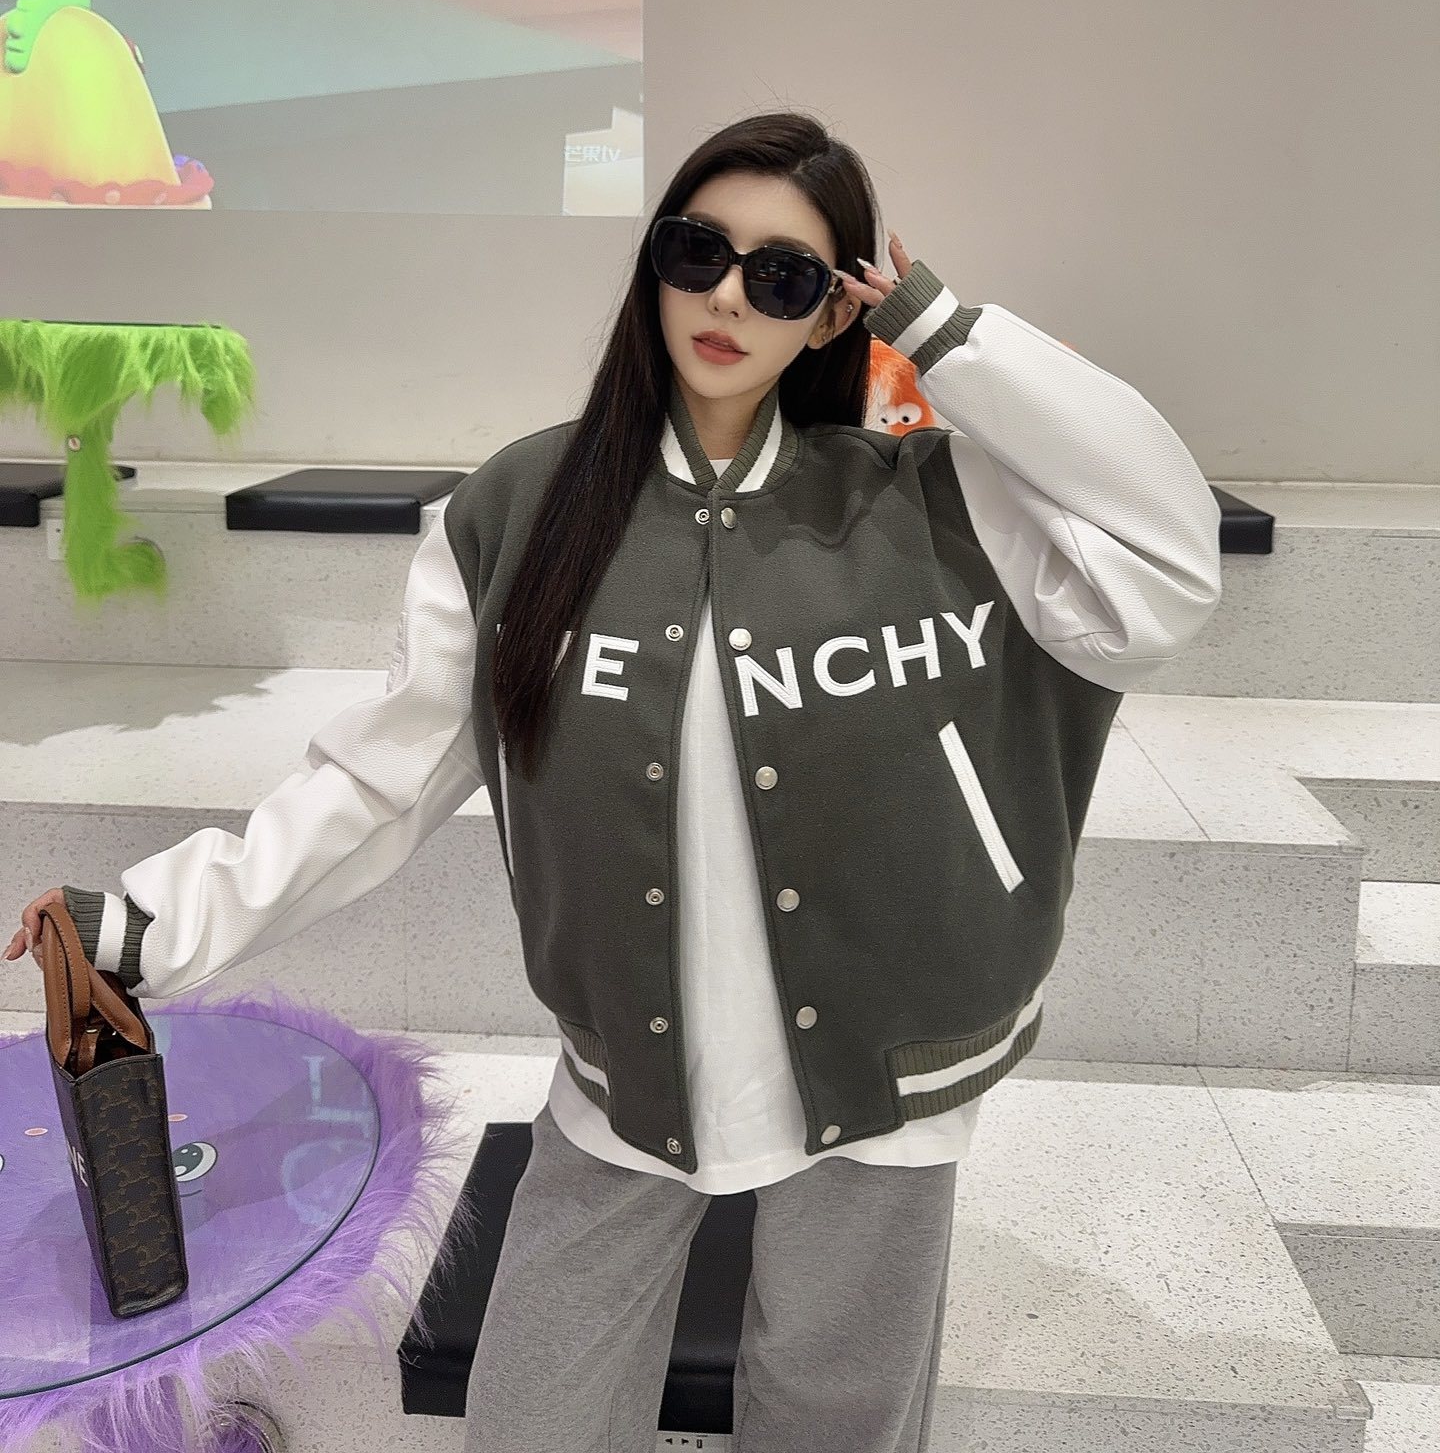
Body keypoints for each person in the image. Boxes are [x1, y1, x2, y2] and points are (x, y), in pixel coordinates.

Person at [7, 110, 1223, 1452]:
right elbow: (381, 779)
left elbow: (1168, 558)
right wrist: (152, 922)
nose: (727, 297)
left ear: (834, 313)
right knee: (537, 1415)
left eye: (783, 275)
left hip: (889, 1079)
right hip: (628, 1078)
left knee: (835, 1422)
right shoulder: (519, 511)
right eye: (700, 251)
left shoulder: (930, 504)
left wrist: (938, 331)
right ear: (654, 264)